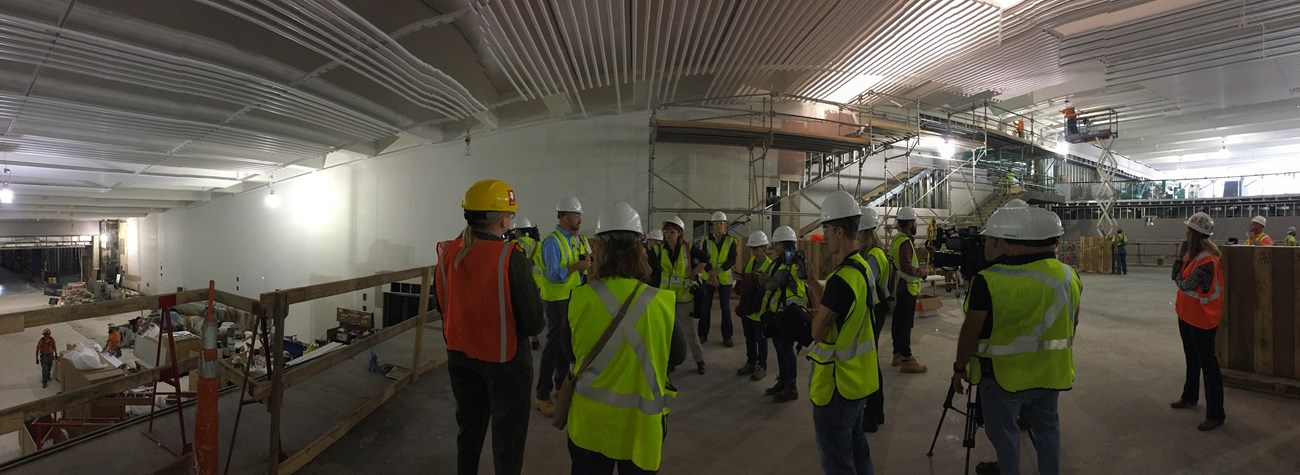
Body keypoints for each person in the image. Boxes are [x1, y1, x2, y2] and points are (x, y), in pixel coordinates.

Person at [950, 204, 1081, 475]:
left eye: (988, 240)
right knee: (1048, 431)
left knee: (1006, 437)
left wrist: (959, 368)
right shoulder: (1068, 275)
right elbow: (1073, 322)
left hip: (1002, 378)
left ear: (998, 242)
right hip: (1050, 372)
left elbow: (971, 333)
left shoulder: (988, 281)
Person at [564, 201, 685, 474]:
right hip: (640, 427)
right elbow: (677, 356)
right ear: (641, 248)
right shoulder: (661, 302)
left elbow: (569, 353)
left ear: (599, 250)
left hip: (590, 425)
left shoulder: (579, 298)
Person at [434, 179, 545, 475]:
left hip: (460, 356)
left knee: (468, 431)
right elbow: (534, 322)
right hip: (506, 361)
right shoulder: (510, 258)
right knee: (507, 441)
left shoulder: (447, 252)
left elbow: (441, 306)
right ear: (504, 219)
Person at [802, 191, 880, 475]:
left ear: (837, 230)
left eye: (825, 230)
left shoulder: (840, 279)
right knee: (858, 450)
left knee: (837, 461)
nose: (824, 238)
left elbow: (817, 333)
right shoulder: (861, 268)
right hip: (860, 382)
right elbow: (842, 310)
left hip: (837, 386)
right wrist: (812, 283)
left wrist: (816, 318)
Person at [535, 196, 592, 417]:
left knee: (564, 344)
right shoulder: (552, 241)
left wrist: (583, 265)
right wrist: (577, 266)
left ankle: (559, 386)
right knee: (552, 347)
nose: (579, 219)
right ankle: (542, 395)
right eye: (576, 215)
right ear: (565, 216)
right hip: (556, 300)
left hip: (570, 298)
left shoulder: (571, 240)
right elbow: (553, 275)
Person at [1169, 212, 1226, 431]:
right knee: (1192, 359)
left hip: (1203, 319)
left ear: (1194, 234)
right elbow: (1177, 278)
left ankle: (1216, 413)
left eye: (1188, 230)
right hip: (1187, 316)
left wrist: (1177, 263)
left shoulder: (1206, 261)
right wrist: (1179, 266)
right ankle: (1189, 396)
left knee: (1208, 366)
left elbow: (1182, 283)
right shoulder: (1193, 256)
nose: (1185, 233)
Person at [648, 216, 708, 375]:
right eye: (666, 232)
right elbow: (651, 270)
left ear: (680, 233)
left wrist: (694, 273)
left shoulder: (688, 249)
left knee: (689, 331)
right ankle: (670, 362)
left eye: (672, 232)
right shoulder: (657, 250)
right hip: (665, 297)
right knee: (666, 331)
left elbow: (705, 259)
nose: (668, 235)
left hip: (683, 297)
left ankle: (700, 361)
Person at [764, 225, 808, 403]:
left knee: (786, 350)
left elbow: (770, 284)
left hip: (789, 314)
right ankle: (783, 381)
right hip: (780, 314)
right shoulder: (781, 262)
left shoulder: (790, 264)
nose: (775, 248)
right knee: (781, 349)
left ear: (786, 245)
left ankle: (791, 387)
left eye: (778, 245)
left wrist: (761, 278)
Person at [857, 207, 891, 433]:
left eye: (858, 234)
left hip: (875, 310)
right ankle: (876, 412)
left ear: (864, 233)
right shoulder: (876, 252)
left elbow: (864, 285)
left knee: (870, 362)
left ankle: (873, 413)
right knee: (872, 361)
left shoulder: (873, 256)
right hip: (879, 308)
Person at [887, 207, 928, 373]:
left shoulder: (896, 239)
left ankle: (897, 354)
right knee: (905, 325)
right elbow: (906, 266)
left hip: (898, 287)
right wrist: (922, 273)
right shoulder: (905, 242)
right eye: (915, 222)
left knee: (897, 323)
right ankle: (906, 359)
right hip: (907, 288)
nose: (916, 225)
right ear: (910, 223)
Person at [736, 230, 773, 381]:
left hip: (761, 309)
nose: (754, 251)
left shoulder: (769, 265)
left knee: (761, 339)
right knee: (749, 337)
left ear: (764, 248)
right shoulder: (751, 262)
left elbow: (769, 287)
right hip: (749, 307)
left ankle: (762, 366)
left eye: (757, 248)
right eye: (752, 248)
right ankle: (751, 362)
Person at [697, 211, 738, 347]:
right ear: (712, 225)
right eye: (716, 223)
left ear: (725, 225)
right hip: (708, 278)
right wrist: (710, 274)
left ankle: (727, 336)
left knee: (725, 308)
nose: (719, 225)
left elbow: (731, 260)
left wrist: (717, 273)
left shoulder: (731, 241)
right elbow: (703, 258)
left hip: (724, 279)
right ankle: (702, 334)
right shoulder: (706, 241)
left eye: (721, 223)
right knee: (705, 306)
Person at [510, 217, 544, 351]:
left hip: (518, 283)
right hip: (538, 283)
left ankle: (518, 339)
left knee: (517, 311)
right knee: (533, 311)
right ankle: (535, 339)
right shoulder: (539, 245)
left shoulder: (512, 244)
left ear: (518, 231)